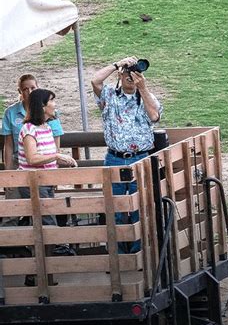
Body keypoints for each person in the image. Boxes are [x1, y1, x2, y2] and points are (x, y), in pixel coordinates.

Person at [91, 56, 163, 253]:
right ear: (120, 75)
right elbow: (95, 80)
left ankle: (139, 254)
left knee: (140, 206)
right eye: (127, 73)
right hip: (114, 157)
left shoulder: (147, 97)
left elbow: (154, 116)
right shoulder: (109, 95)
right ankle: (119, 255)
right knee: (114, 206)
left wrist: (143, 88)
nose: (131, 77)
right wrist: (117, 63)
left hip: (140, 157)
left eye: (135, 73)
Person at [18, 88, 77, 259]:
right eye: (52, 100)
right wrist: (57, 156)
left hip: (46, 181)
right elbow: (32, 158)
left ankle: (43, 267)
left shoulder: (47, 128)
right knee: (46, 223)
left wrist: (64, 160)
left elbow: (46, 156)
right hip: (34, 182)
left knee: (46, 222)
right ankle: (47, 264)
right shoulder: (29, 129)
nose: (55, 104)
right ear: (43, 106)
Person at [1, 74, 64, 227]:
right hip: (23, 163)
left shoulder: (50, 121)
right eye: (25, 89)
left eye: (32, 88)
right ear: (20, 91)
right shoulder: (14, 115)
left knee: (45, 212)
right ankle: (9, 246)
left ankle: (38, 246)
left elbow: (55, 142)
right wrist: (8, 173)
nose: (29, 92)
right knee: (14, 208)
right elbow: (9, 145)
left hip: (44, 167)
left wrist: (55, 166)